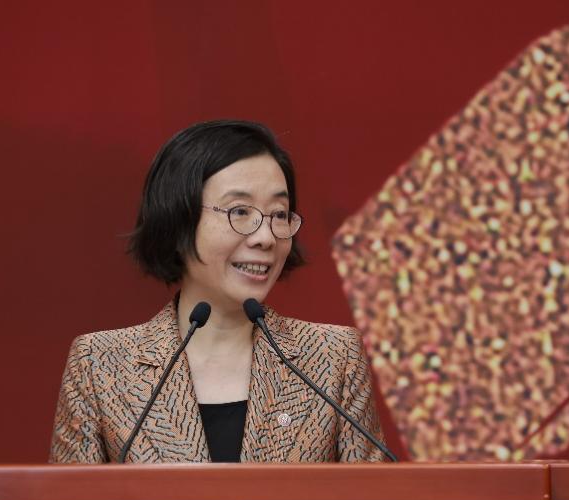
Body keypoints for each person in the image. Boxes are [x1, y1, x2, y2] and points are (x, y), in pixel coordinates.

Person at [50, 119, 386, 464]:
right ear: (178, 218)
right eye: (240, 211)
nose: (266, 237)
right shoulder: (100, 366)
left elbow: (376, 497)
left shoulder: (333, 357)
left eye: (279, 214)